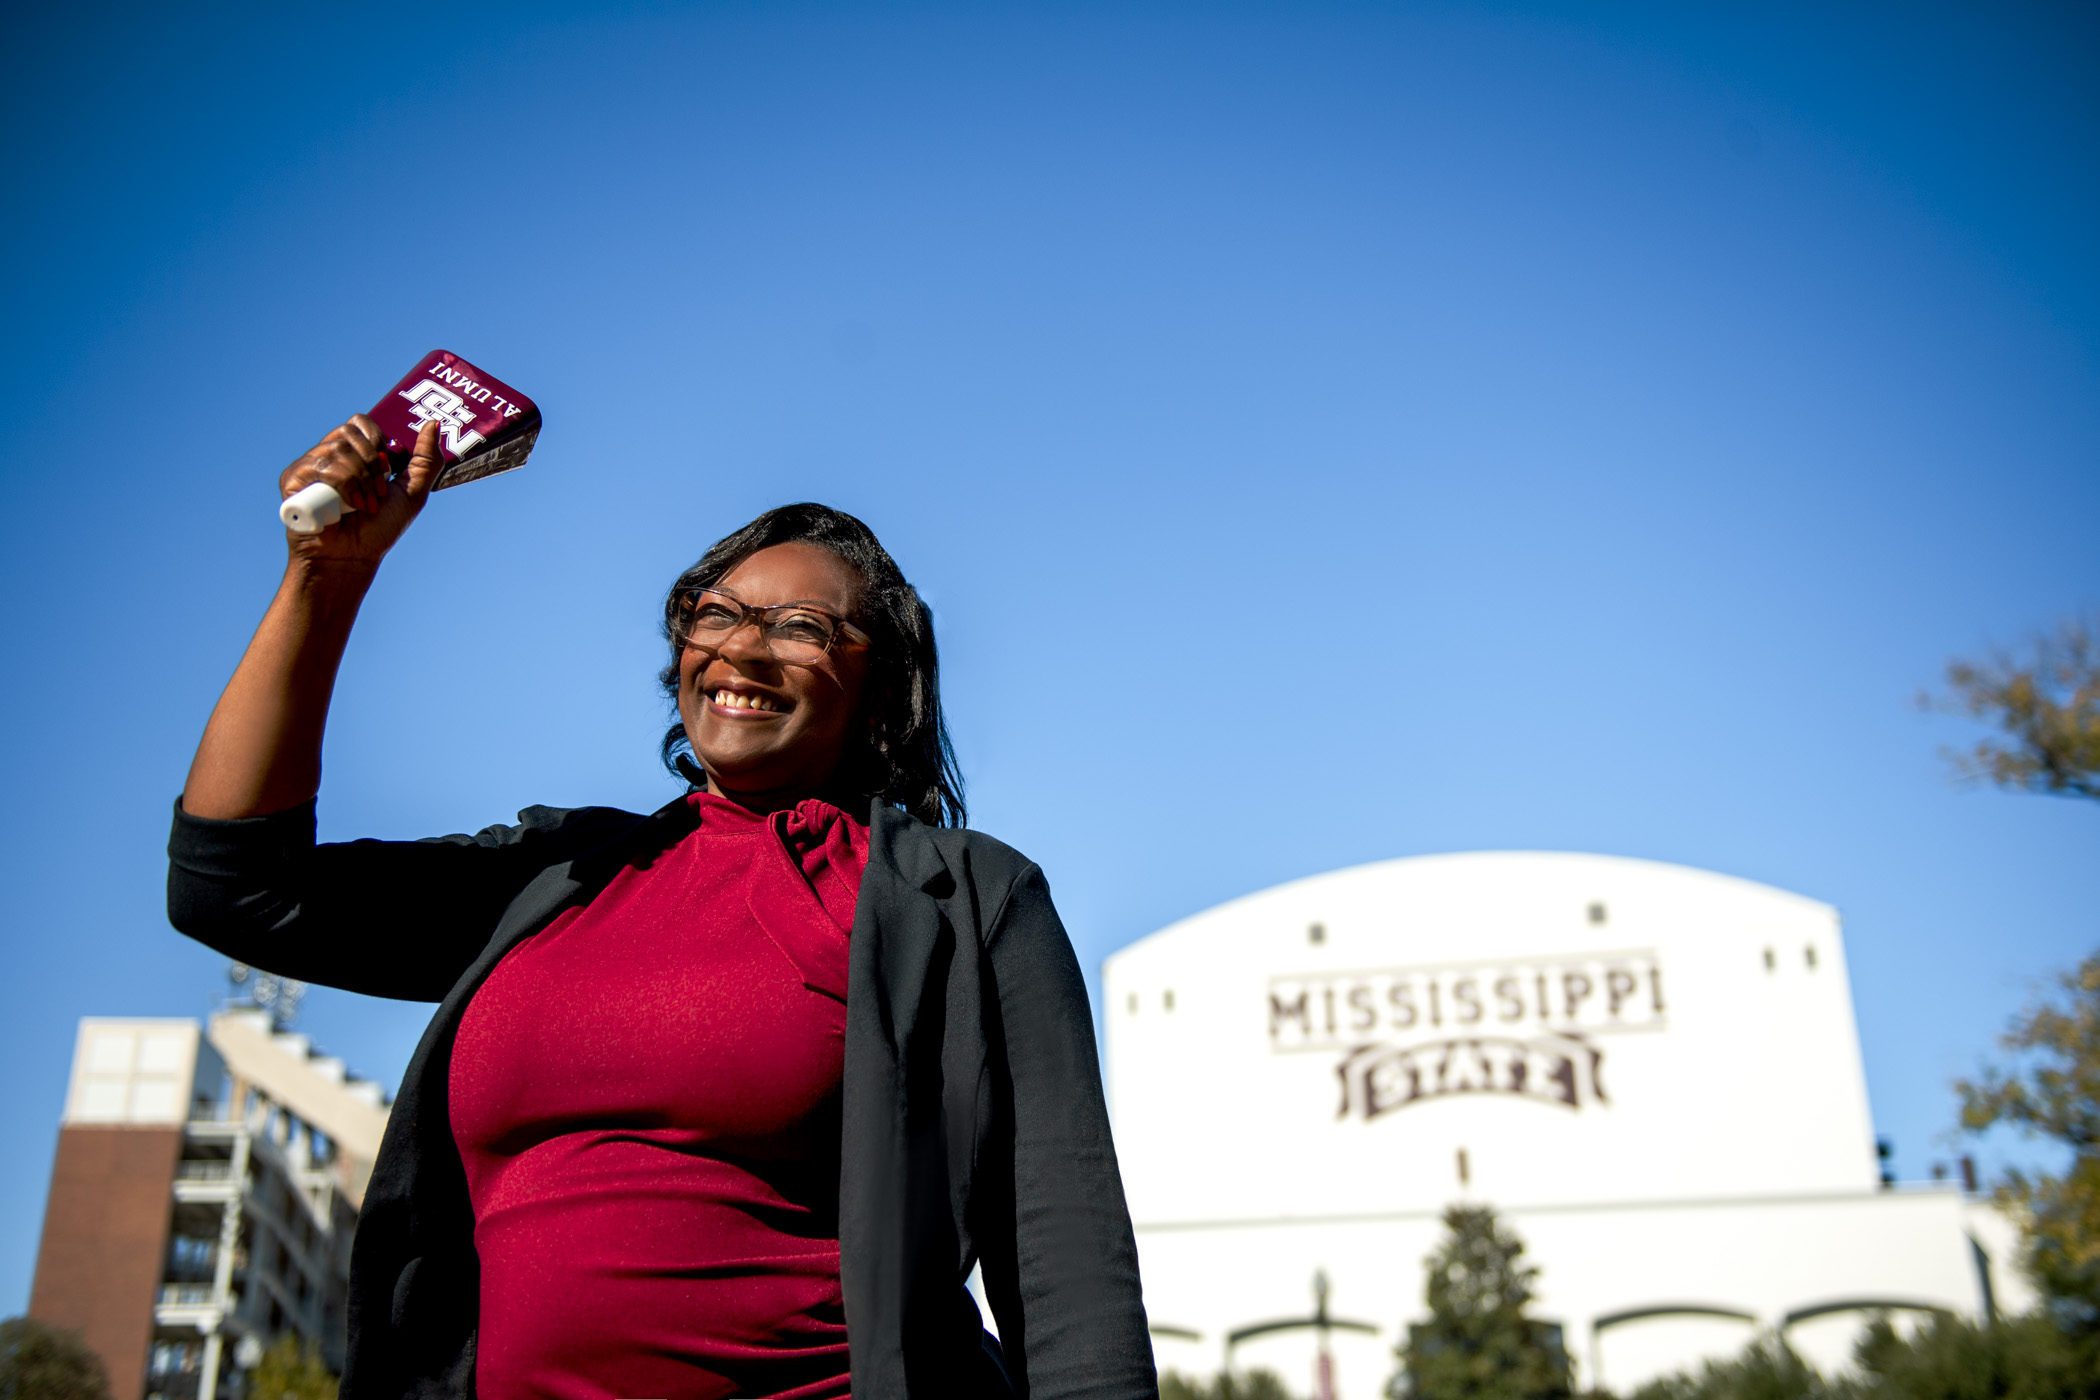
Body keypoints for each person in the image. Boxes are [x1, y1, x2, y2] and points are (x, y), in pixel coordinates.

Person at [168, 413, 1157, 1400]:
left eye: (803, 627)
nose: (743, 649)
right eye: (714, 611)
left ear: (882, 679)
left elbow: (1065, 1268)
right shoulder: (564, 873)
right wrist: (322, 573)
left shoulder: (963, 899)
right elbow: (235, 887)